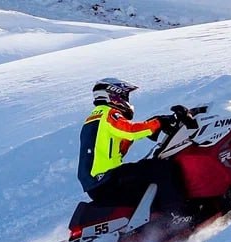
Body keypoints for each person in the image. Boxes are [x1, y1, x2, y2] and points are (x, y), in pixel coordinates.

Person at [77, 78, 183, 208]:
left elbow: (118, 146)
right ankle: (177, 214)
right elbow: (130, 131)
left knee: (145, 173)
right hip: (108, 178)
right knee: (161, 168)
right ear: (114, 96)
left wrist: (149, 129)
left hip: (97, 183)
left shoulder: (93, 118)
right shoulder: (109, 113)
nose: (127, 100)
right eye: (124, 96)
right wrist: (159, 122)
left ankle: (155, 218)